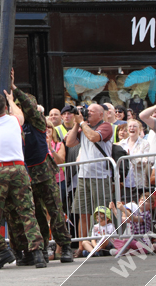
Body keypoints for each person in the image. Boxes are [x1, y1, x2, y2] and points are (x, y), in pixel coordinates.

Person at [0, 92, 45, 270]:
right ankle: (37, 254)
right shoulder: (15, 120)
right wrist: (10, 98)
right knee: (27, 213)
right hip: (19, 169)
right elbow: (20, 114)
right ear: (6, 108)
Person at [11, 73, 73, 263]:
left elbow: (29, 106)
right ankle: (43, 248)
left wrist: (14, 90)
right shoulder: (15, 124)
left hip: (44, 172)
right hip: (27, 173)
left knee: (55, 210)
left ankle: (66, 246)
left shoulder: (38, 120)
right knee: (36, 214)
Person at [65, 103, 113, 257]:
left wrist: (82, 123)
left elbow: (93, 137)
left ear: (101, 114)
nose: (88, 113)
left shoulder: (106, 126)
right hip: (83, 176)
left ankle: (101, 245)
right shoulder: (83, 126)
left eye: (92, 111)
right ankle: (82, 245)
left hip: (100, 176)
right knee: (83, 213)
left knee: (101, 213)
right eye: (88, 111)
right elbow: (69, 143)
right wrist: (76, 124)